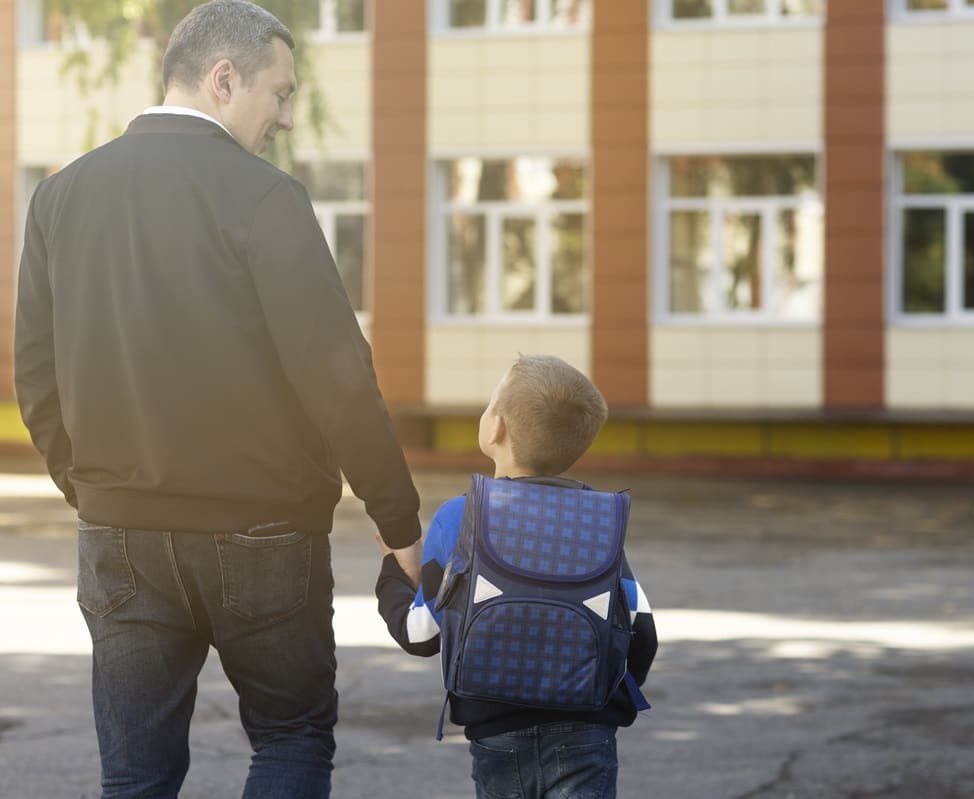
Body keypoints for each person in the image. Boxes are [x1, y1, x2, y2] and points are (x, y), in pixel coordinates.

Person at [13, 2, 422, 797]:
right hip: (263, 534)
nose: (288, 117)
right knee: (293, 739)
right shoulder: (266, 198)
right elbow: (338, 377)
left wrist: (97, 491)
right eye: (280, 92)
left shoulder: (59, 199)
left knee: (134, 775)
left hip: (120, 535)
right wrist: (398, 523)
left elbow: (36, 376)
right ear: (224, 78)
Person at [376, 354, 657, 799]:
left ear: (497, 429)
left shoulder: (461, 516)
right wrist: (600, 702)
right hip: (586, 733)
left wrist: (392, 572)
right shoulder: (598, 522)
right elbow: (642, 632)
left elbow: (421, 633)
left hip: (497, 735)